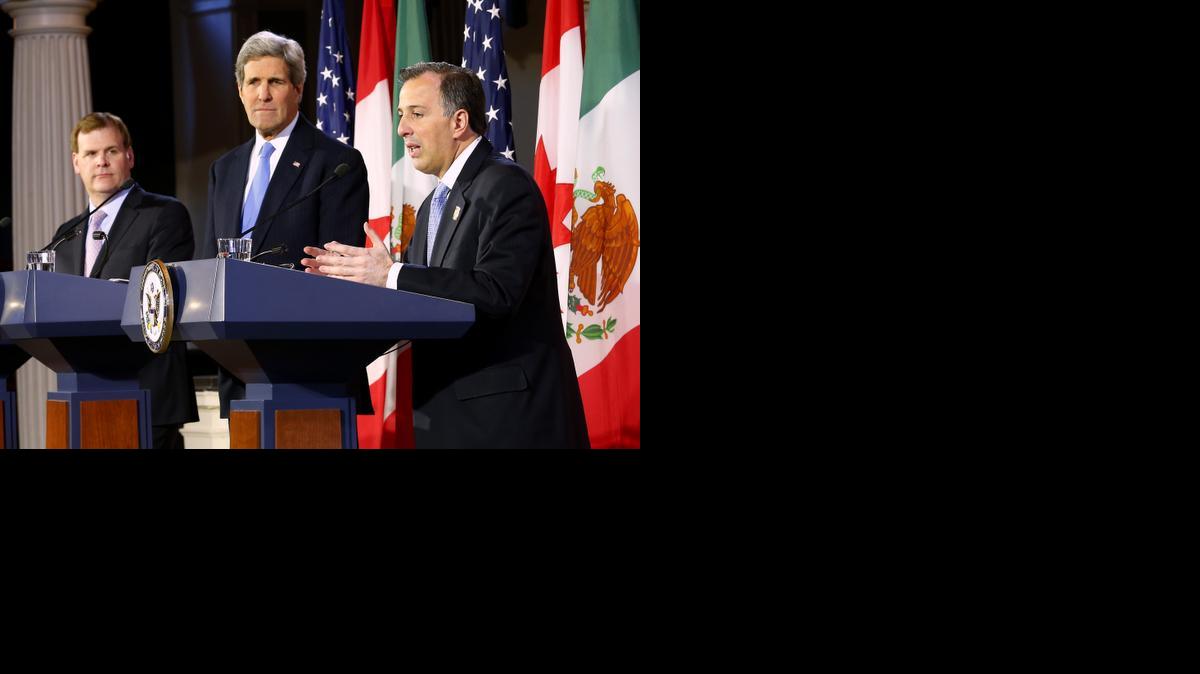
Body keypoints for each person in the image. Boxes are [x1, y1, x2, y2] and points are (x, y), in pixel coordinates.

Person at [301, 62, 589, 448]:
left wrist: (391, 275)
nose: (402, 128)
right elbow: (425, 301)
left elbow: (496, 292)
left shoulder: (505, 186)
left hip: (506, 418)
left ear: (458, 122)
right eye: (401, 116)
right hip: (448, 414)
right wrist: (353, 286)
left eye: (417, 114)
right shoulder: (432, 206)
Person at [197, 30, 371, 419]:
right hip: (241, 368)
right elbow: (210, 262)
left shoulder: (336, 163)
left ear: (298, 88)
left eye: (275, 81)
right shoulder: (223, 170)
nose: (263, 94)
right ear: (240, 91)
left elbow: (336, 269)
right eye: (253, 82)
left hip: (310, 370)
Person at [47, 112, 198, 449]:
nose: (101, 161)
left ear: (129, 156)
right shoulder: (65, 235)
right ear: (76, 162)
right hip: (83, 393)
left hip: (148, 394)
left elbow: (156, 300)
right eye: (90, 154)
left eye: (111, 151)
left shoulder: (165, 214)